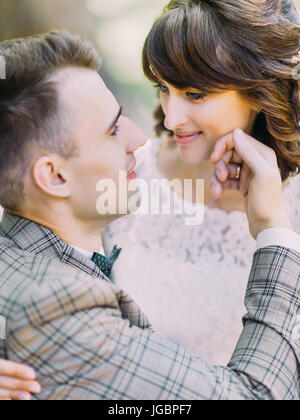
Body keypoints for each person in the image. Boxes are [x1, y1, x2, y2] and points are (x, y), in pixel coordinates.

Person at [0, 30, 299, 401]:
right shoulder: (59, 306)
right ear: (55, 177)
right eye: (112, 130)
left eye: (194, 93)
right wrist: (274, 231)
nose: (145, 136)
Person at [102, 0, 300, 364]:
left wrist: (273, 228)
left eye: (195, 94)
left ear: (260, 92)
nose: (172, 116)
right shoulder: (127, 177)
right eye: (163, 87)